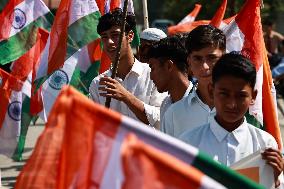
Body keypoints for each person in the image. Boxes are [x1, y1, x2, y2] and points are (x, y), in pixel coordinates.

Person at [180, 53, 283, 187]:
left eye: (241, 96)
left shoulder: (265, 144)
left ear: (253, 96)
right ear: (211, 91)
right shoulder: (188, 143)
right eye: (224, 94)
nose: (231, 104)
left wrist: (275, 178)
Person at [89, 9, 166, 127]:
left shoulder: (153, 74)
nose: (109, 42)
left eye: (115, 35)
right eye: (104, 37)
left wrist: (126, 96)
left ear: (130, 36)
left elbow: (162, 118)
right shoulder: (97, 84)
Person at [161, 25, 226, 137]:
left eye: (211, 58)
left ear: (224, 58)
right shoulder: (174, 114)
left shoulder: (240, 109)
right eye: (197, 58)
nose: (205, 66)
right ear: (189, 62)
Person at [147, 34, 193, 128]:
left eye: (152, 68)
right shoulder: (165, 105)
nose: (151, 77)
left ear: (168, 66)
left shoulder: (204, 104)